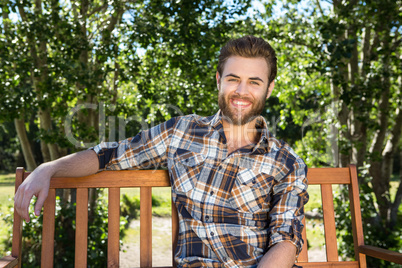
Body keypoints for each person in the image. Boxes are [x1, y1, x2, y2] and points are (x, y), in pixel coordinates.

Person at [14, 35, 309, 268]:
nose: (241, 90)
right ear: (219, 80)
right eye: (233, 78)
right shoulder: (180, 133)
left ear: (268, 89)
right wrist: (48, 168)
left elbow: (285, 241)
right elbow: (109, 155)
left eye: (254, 82)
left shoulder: (286, 161)